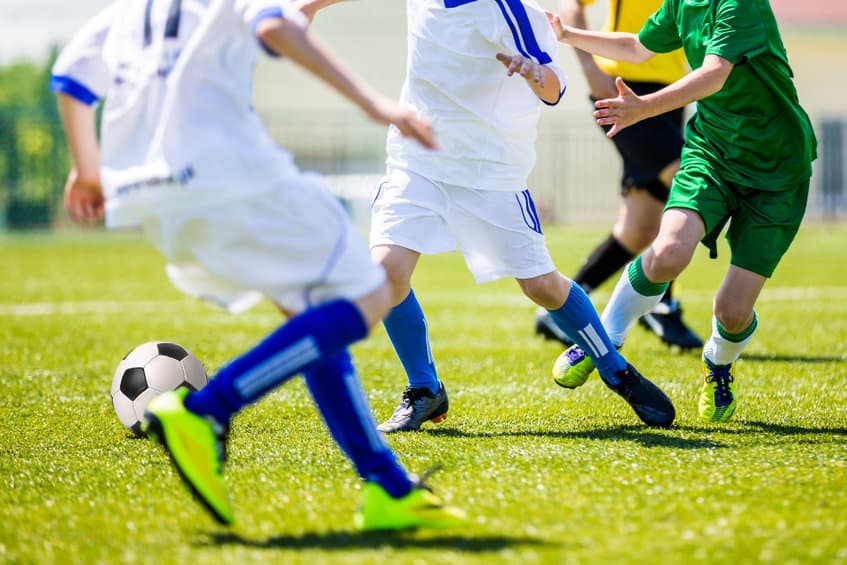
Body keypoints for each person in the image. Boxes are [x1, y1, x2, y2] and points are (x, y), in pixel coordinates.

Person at [50, 0, 468, 530]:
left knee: (307, 317)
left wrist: (87, 169)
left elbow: (70, 79)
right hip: (232, 178)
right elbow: (272, 24)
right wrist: (376, 104)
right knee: (373, 294)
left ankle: (386, 487)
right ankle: (207, 412)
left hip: (151, 198)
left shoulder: (130, 11)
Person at [354, 0, 675, 432]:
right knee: (385, 275)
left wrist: (532, 72)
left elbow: (556, 88)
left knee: (541, 286)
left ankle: (615, 368)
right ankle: (424, 389)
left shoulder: (514, 11)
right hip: (418, 158)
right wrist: (309, 8)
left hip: (490, 169)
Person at [547, 0, 817, 422]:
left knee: (731, 312)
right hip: (712, 154)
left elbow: (714, 73)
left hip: (777, 171)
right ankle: (604, 337)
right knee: (669, 249)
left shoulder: (739, 5)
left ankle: (718, 363)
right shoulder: (680, 4)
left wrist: (644, 108)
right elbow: (637, 48)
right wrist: (569, 35)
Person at [534, 0, 702, 352]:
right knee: (685, 180)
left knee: (640, 224)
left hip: (670, 92)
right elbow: (571, 6)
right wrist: (590, 70)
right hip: (623, 88)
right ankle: (661, 304)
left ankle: (558, 310)